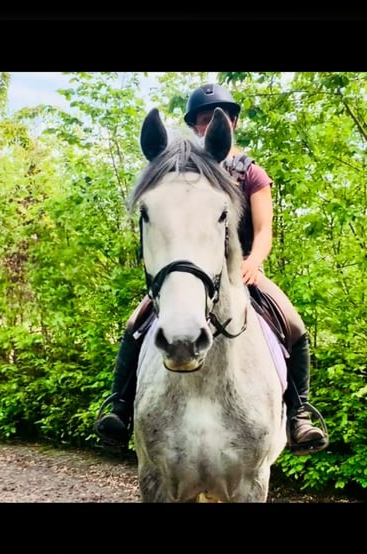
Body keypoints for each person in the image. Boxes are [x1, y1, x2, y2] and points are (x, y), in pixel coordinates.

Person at [93, 83, 328, 456]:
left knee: (294, 324)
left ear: (230, 123)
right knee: (134, 324)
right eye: (201, 121)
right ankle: (119, 407)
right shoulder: (186, 172)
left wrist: (254, 262)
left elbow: (265, 228)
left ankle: (298, 414)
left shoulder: (250, 173)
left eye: (213, 121)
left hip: (242, 267)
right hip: (195, 271)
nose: (206, 127)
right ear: (194, 126)